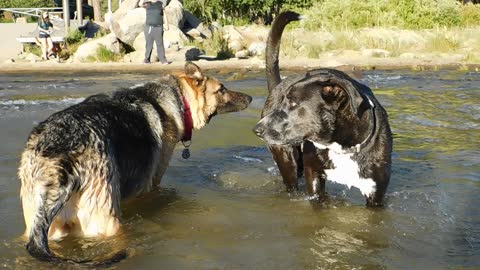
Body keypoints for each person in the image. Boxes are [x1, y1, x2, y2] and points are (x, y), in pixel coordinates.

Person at [141, 0, 170, 64]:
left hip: (158, 27)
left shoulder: (161, 4)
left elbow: (164, 14)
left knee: (160, 44)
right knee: (148, 44)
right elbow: (140, 4)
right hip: (149, 27)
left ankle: (163, 60)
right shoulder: (147, 4)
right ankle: (147, 59)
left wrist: (167, 24)